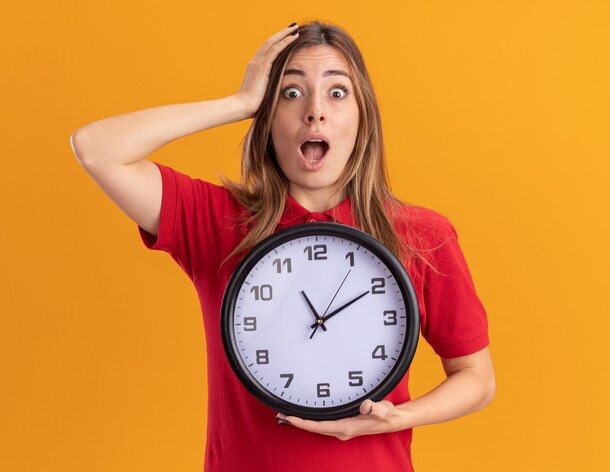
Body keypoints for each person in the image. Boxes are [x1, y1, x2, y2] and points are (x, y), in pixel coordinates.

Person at [71, 20, 495, 472]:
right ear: (268, 118)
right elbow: (96, 147)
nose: (315, 111)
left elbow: (477, 379)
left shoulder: (422, 235)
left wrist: (392, 420)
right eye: (291, 94)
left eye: (337, 93)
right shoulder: (218, 221)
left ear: (362, 116)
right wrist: (239, 102)